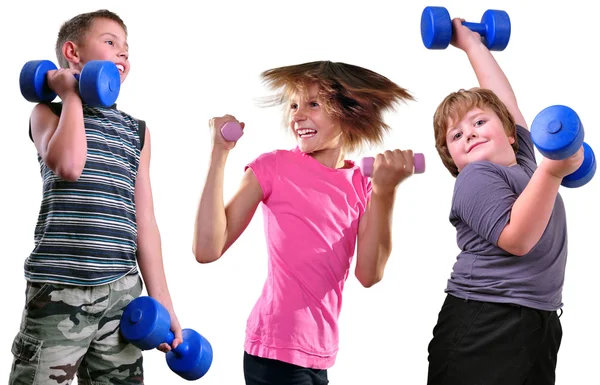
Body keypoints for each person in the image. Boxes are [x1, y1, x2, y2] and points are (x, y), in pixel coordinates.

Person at [193, 60, 417, 384]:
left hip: (321, 355)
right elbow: (206, 248)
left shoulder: (362, 185)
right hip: (273, 352)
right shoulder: (273, 167)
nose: (297, 115)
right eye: (294, 105)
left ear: (347, 112)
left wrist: (385, 192)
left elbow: (369, 274)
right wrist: (219, 152)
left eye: (313, 104)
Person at [9, 9, 183, 384]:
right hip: (58, 291)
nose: (123, 54)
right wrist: (70, 95)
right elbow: (69, 165)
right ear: (73, 52)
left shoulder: (136, 131)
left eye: (126, 49)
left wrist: (162, 301)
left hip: (121, 294)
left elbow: (145, 220)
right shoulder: (46, 115)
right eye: (110, 42)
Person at [426, 18, 584, 385]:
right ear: (453, 159)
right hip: (485, 322)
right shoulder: (475, 178)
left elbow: (502, 98)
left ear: (511, 134)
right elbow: (517, 238)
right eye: (457, 135)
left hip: (536, 321)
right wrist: (554, 171)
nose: (470, 134)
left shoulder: (527, 163)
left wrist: (472, 45)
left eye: (480, 122)